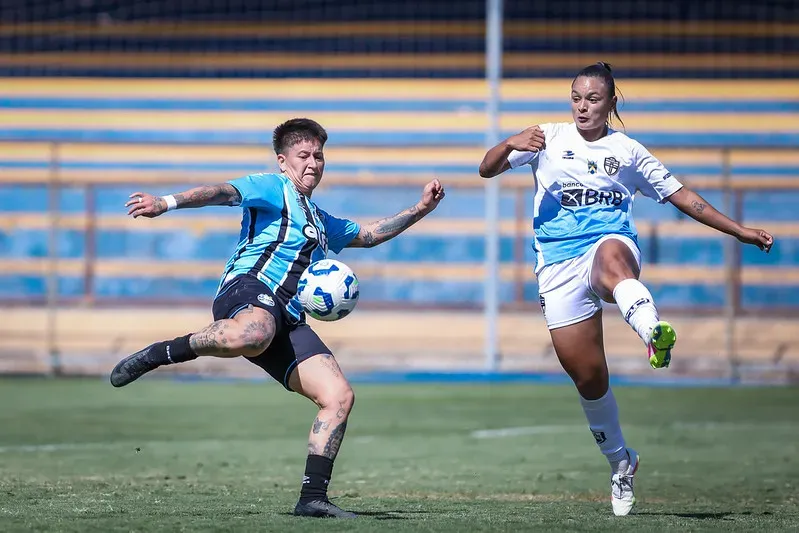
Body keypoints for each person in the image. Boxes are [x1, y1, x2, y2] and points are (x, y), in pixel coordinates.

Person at [110, 117, 445, 518]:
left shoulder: (321, 220)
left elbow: (370, 233)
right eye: (304, 155)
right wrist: (167, 202)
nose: (313, 163)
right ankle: (162, 352)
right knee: (255, 330)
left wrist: (422, 208)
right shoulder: (272, 186)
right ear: (283, 161)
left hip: (287, 317)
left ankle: (313, 499)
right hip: (248, 289)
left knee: (338, 397)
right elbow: (222, 192)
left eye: (319, 156)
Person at [479, 62, 773, 516]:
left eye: (593, 99)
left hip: (608, 244)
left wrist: (739, 231)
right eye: (576, 97)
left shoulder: (629, 151)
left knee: (612, 262)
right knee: (590, 379)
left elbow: (684, 197)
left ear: (611, 103)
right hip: (556, 265)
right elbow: (486, 169)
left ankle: (653, 331)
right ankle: (621, 462)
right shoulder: (546, 137)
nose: (582, 106)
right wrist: (509, 143)